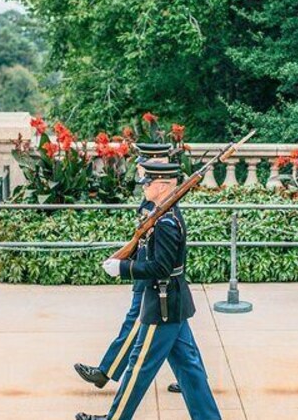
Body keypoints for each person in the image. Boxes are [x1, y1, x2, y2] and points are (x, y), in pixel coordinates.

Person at [76, 161, 221, 420]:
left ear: (164, 186)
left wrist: (124, 268)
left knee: (138, 368)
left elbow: (160, 267)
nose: (144, 187)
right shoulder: (164, 215)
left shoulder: (165, 222)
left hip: (162, 305)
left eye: (149, 183)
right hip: (173, 303)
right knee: (189, 369)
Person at [73, 144, 182, 394]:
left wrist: (126, 267)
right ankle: (190, 381)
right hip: (144, 265)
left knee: (137, 322)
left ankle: (106, 371)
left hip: (151, 273)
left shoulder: (163, 202)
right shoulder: (153, 198)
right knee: (180, 342)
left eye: (146, 165)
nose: (141, 172)